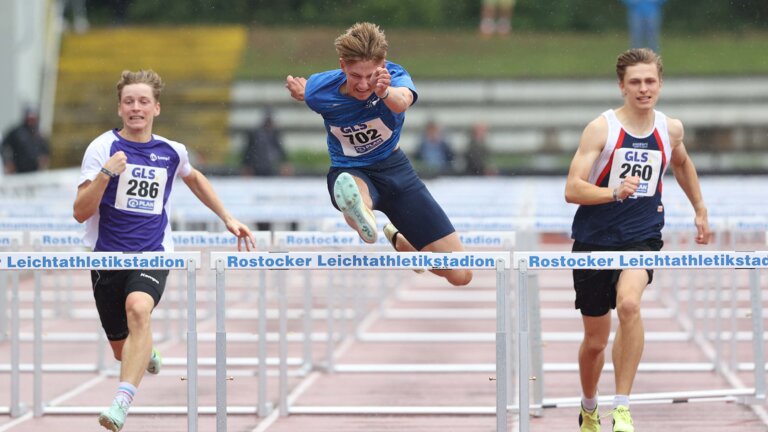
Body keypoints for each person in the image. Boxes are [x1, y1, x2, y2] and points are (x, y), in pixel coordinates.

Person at [73, 70, 256, 432]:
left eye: (143, 101)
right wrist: (106, 175)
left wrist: (227, 217)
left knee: (138, 308)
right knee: (121, 350)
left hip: (154, 252)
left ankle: (121, 403)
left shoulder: (171, 151)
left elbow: (194, 178)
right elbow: (80, 211)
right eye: (129, 101)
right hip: (105, 256)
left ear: (156, 107)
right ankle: (146, 354)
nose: (136, 108)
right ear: (120, 108)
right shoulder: (101, 149)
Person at [564, 48, 711, 432]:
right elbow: (572, 188)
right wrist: (613, 193)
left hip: (642, 236)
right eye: (635, 83)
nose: (644, 89)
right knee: (595, 340)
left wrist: (699, 208)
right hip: (594, 237)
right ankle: (589, 406)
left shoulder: (670, 128)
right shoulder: (602, 129)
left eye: (650, 81)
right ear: (622, 86)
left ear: (660, 84)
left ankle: (623, 407)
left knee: (629, 305)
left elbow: (681, 163)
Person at [285, 22, 472, 286]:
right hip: (350, 169)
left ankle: (404, 243)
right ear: (342, 66)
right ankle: (361, 213)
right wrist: (302, 92)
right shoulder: (320, 90)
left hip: (396, 172)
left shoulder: (394, 77)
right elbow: (309, 93)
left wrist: (383, 91)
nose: (363, 85)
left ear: (383, 64)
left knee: (460, 274)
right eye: (355, 76)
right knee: (355, 196)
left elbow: (402, 102)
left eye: (370, 75)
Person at [241, 108, 292, 176]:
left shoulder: (275, 134)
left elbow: (280, 149)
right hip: (256, 168)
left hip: (270, 168)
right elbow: (248, 151)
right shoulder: (254, 133)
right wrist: (246, 166)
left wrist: (285, 163)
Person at [1, 107, 51, 174]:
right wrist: (8, 161)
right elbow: (4, 146)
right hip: (18, 171)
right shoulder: (16, 132)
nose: (31, 121)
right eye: (29, 118)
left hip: (35, 171)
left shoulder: (39, 133)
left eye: (33, 119)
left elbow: (46, 149)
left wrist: (44, 157)